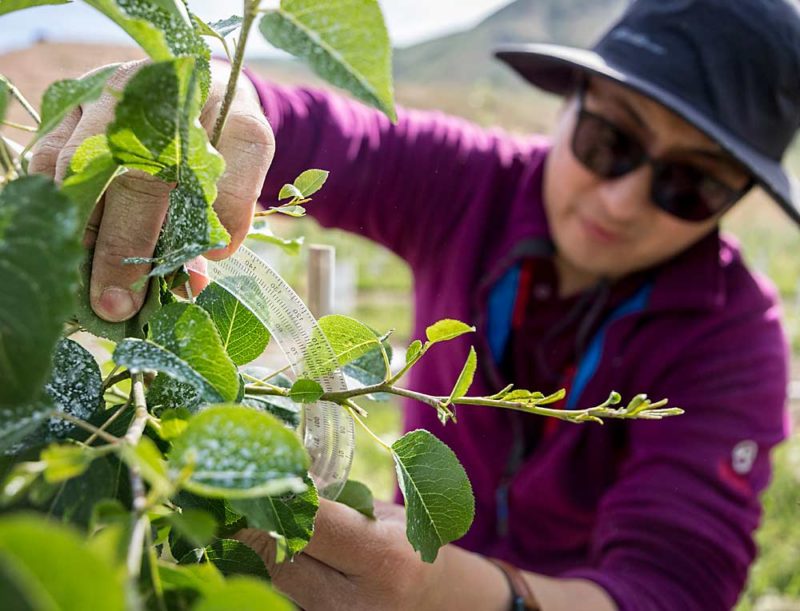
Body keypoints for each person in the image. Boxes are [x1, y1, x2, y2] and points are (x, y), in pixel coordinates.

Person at [28, 0, 800, 609]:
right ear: (571, 103)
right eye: (610, 141)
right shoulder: (477, 185)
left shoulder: (735, 332)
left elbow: (674, 590)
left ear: (732, 197)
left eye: (689, 184)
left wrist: (465, 598)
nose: (625, 199)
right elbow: (317, 132)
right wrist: (207, 106)